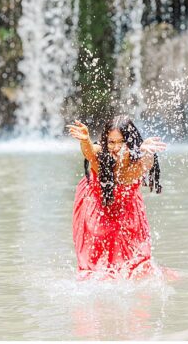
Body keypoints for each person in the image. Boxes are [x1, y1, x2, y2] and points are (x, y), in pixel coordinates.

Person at [67, 116, 168, 280]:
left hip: (127, 204)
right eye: (111, 142)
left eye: (121, 142)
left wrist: (147, 152)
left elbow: (148, 163)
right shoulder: (101, 155)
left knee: (137, 264)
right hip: (97, 201)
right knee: (95, 266)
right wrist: (85, 141)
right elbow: (89, 153)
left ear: (131, 142)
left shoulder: (138, 162)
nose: (115, 147)